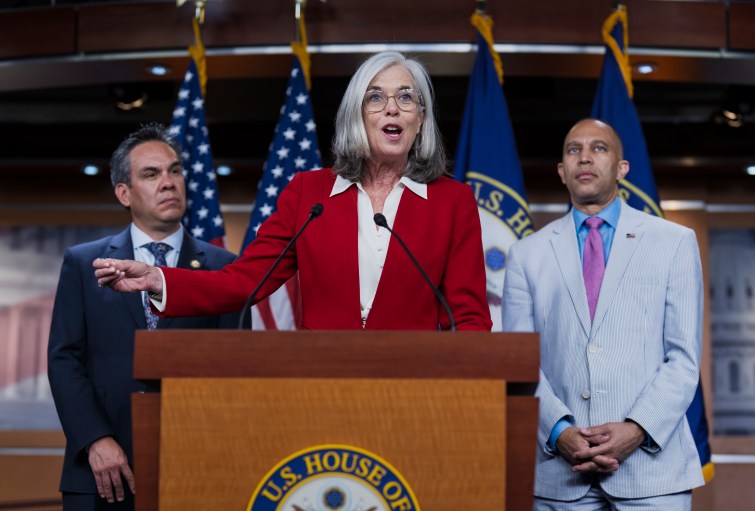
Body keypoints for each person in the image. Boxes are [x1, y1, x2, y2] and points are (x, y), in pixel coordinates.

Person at [93, 51, 491, 331]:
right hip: (320, 387)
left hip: (417, 392)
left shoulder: (452, 202)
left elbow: (470, 318)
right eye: (375, 97)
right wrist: (159, 279)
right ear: (357, 116)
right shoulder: (309, 193)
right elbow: (244, 280)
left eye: (406, 97)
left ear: (420, 119)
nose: (392, 107)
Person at [502, 118, 704, 510]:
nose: (584, 158)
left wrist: (637, 429)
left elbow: (683, 358)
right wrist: (559, 431)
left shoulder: (674, 242)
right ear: (561, 171)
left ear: (621, 168)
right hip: (560, 473)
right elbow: (521, 364)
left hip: (652, 472)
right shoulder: (526, 255)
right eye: (573, 150)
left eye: (599, 148)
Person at [48, 123, 243, 510]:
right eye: (152, 174)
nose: (168, 183)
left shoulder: (224, 268)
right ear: (124, 193)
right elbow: (64, 359)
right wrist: (95, 439)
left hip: (194, 466)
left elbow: (233, 369)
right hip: (101, 470)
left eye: (175, 171)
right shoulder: (84, 263)